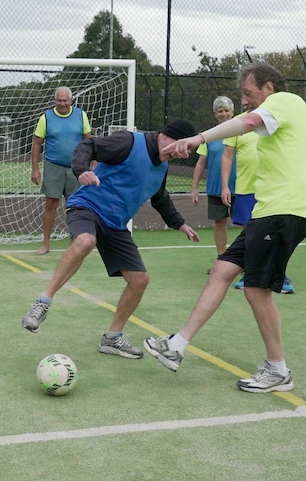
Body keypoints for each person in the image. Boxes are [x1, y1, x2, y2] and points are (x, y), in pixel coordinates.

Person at [144, 62, 306, 393]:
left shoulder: (284, 101)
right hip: (271, 210)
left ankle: (278, 369)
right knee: (221, 270)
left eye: (248, 93)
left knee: (256, 288)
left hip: (284, 211)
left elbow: (247, 122)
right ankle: (177, 345)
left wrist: (198, 138)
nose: (244, 101)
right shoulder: (289, 114)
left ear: (269, 87)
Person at [21, 120, 201, 359]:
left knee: (139, 280)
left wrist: (180, 223)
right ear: (169, 137)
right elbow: (87, 146)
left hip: (116, 224)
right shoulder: (129, 142)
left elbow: (160, 198)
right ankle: (42, 303)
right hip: (88, 206)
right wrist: (82, 170)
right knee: (85, 240)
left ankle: (112, 338)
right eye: (186, 147)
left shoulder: (162, 168)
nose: (185, 154)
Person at [221, 108, 295, 294]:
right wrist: (225, 186)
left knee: (274, 234)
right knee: (251, 235)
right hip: (246, 189)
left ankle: (280, 275)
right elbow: (227, 156)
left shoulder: (276, 120)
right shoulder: (238, 122)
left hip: (272, 189)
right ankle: (249, 274)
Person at [30, 86, 92, 254]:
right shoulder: (46, 118)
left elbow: (89, 141)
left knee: (76, 206)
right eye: (59, 100)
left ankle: (74, 243)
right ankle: (46, 243)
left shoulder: (81, 115)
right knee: (51, 204)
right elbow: (36, 143)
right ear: (55, 100)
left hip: (77, 167)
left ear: (71, 100)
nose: (62, 103)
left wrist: (92, 164)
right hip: (53, 166)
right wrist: (35, 169)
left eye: (65, 100)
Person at [190, 96, 236, 264]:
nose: (224, 114)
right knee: (219, 223)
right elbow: (201, 162)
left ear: (233, 112)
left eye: (226, 111)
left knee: (249, 224)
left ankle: (248, 261)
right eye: (220, 111)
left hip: (242, 187)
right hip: (216, 188)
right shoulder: (209, 136)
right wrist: (194, 188)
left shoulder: (244, 132)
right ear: (215, 114)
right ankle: (222, 259)